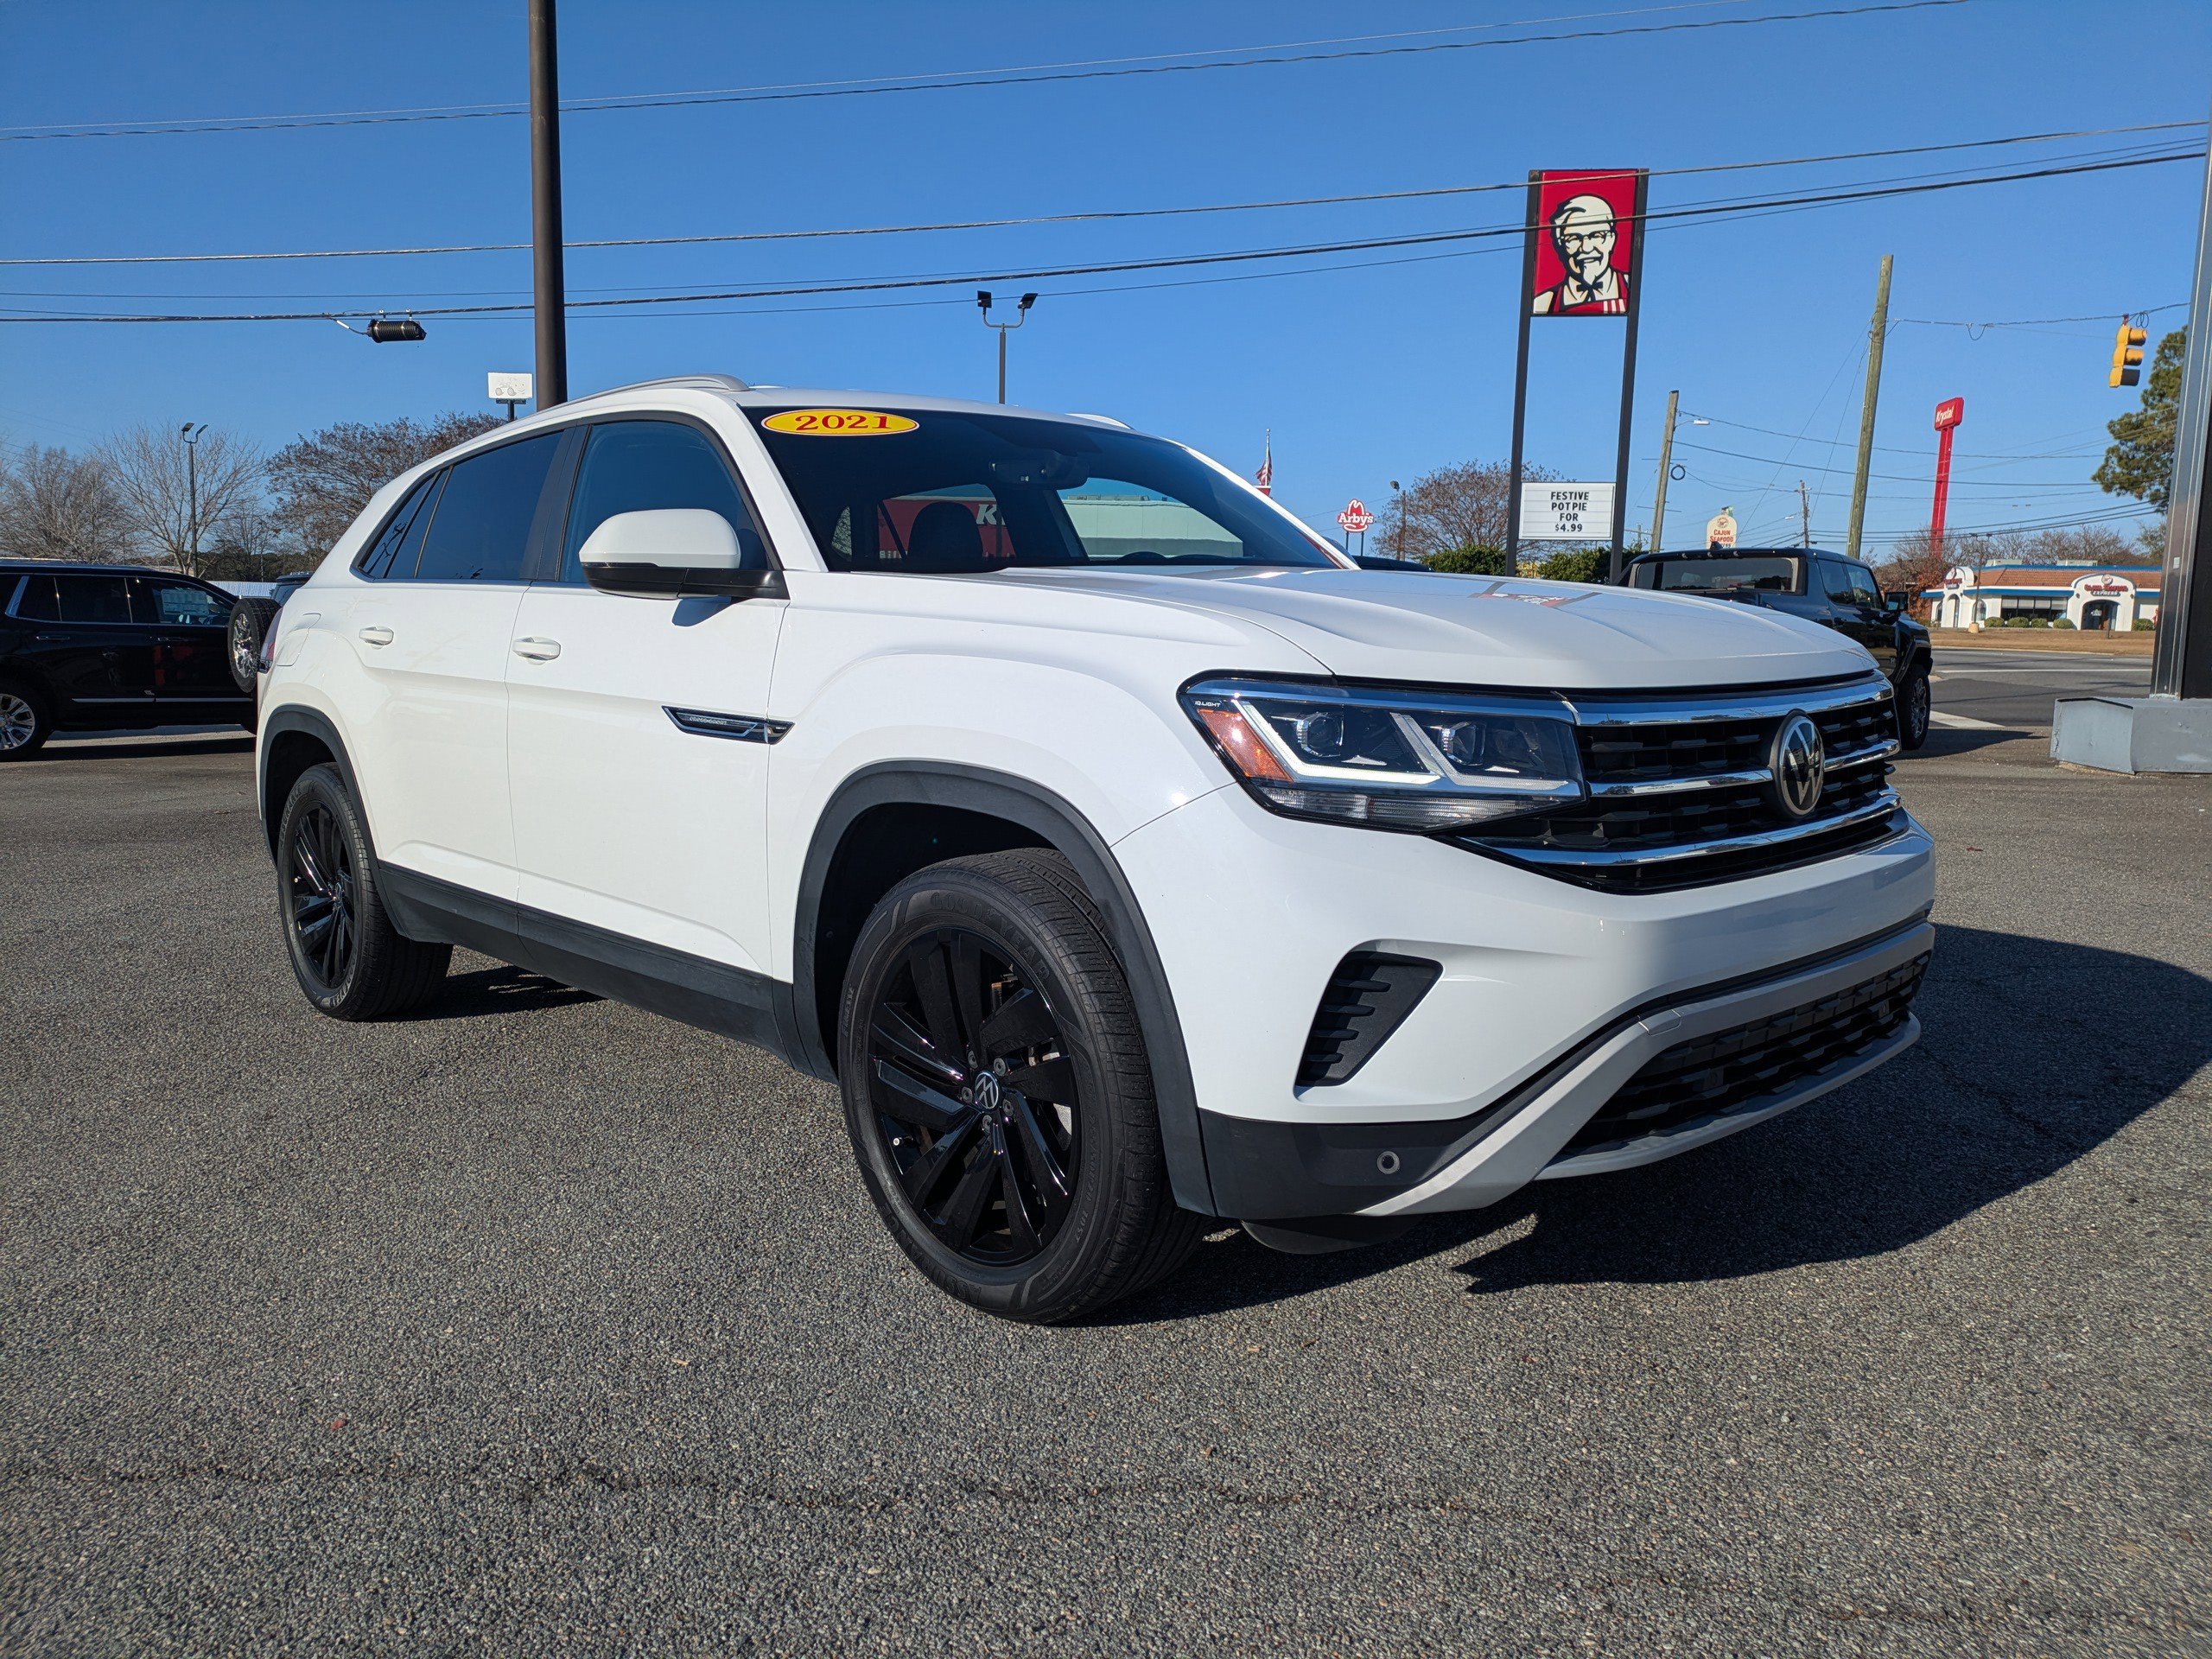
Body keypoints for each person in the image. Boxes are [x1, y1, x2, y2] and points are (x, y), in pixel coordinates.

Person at [1532, 194, 1630, 315]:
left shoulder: (1631, 287)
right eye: (1573, 238)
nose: (1586, 248)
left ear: (1611, 239)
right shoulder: (1544, 303)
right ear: (1560, 245)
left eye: (1596, 236)